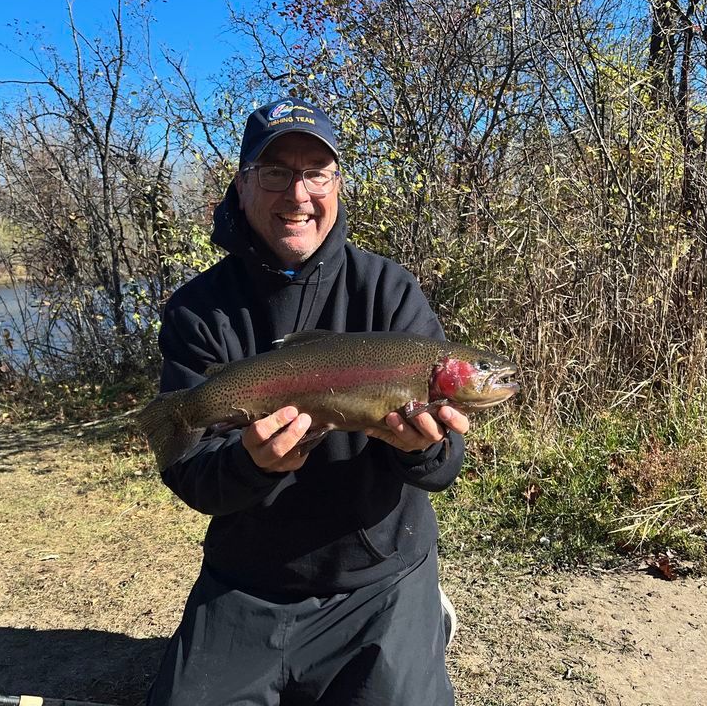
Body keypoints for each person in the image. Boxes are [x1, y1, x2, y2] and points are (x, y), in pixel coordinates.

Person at [147, 96, 470, 706]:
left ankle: (424, 615)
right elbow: (191, 477)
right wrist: (249, 462)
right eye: (276, 173)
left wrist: (424, 453)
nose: (298, 194)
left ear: (337, 185)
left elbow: (445, 466)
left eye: (315, 173)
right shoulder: (198, 310)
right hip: (249, 580)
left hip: (379, 579)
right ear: (242, 186)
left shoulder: (389, 291)